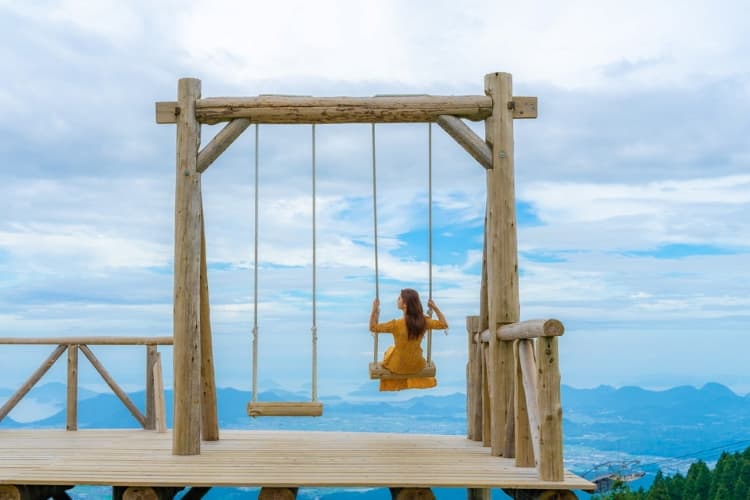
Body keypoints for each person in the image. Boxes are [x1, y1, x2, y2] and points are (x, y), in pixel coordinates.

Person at [369, 288, 448, 391]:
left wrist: (374, 310)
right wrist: (435, 307)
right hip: (417, 365)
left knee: (390, 351)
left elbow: (373, 327)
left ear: (405, 304)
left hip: (397, 367)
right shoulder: (423, 322)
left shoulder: (396, 325)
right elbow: (443, 324)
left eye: (399, 298)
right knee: (396, 350)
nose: (397, 300)